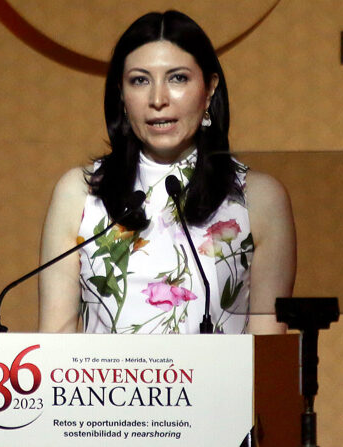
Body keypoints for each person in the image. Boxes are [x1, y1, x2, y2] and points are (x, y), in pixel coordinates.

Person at [39, 10, 295, 334]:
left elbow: (268, 357)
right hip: (105, 387)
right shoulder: (80, 193)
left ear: (210, 89)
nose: (158, 99)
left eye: (177, 78)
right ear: (121, 93)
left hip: (218, 386)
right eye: (140, 80)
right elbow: (53, 344)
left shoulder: (258, 198)